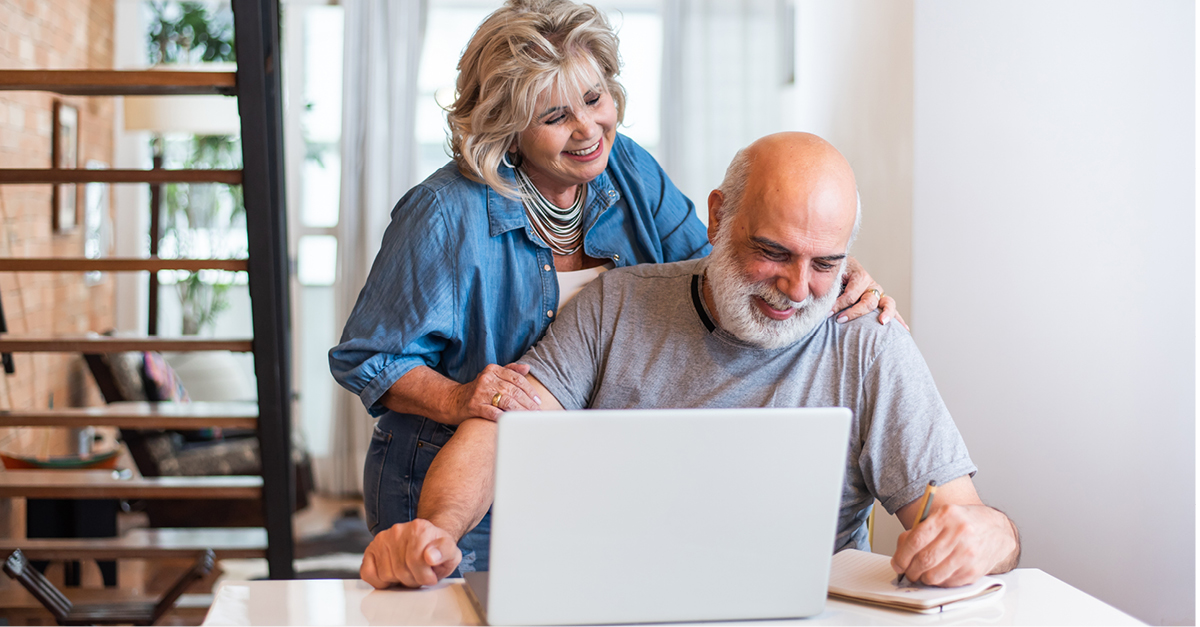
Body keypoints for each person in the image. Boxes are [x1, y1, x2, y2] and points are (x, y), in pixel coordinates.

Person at [332, 0, 900, 579]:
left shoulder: (627, 169)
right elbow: (367, 358)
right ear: (507, 125)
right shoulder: (442, 213)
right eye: (555, 116)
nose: (588, 129)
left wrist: (830, 274)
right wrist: (459, 398)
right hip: (452, 483)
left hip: (577, 479)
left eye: (595, 98)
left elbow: (717, 268)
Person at [359, 132, 1020, 591]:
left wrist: (988, 537)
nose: (796, 288)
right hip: (615, 607)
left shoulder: (869, 338)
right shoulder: (617, 304)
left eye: (825, 262)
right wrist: (435, 529)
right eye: (773, 251)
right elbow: (500, 426)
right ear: (717, 217)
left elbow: (967, 516)